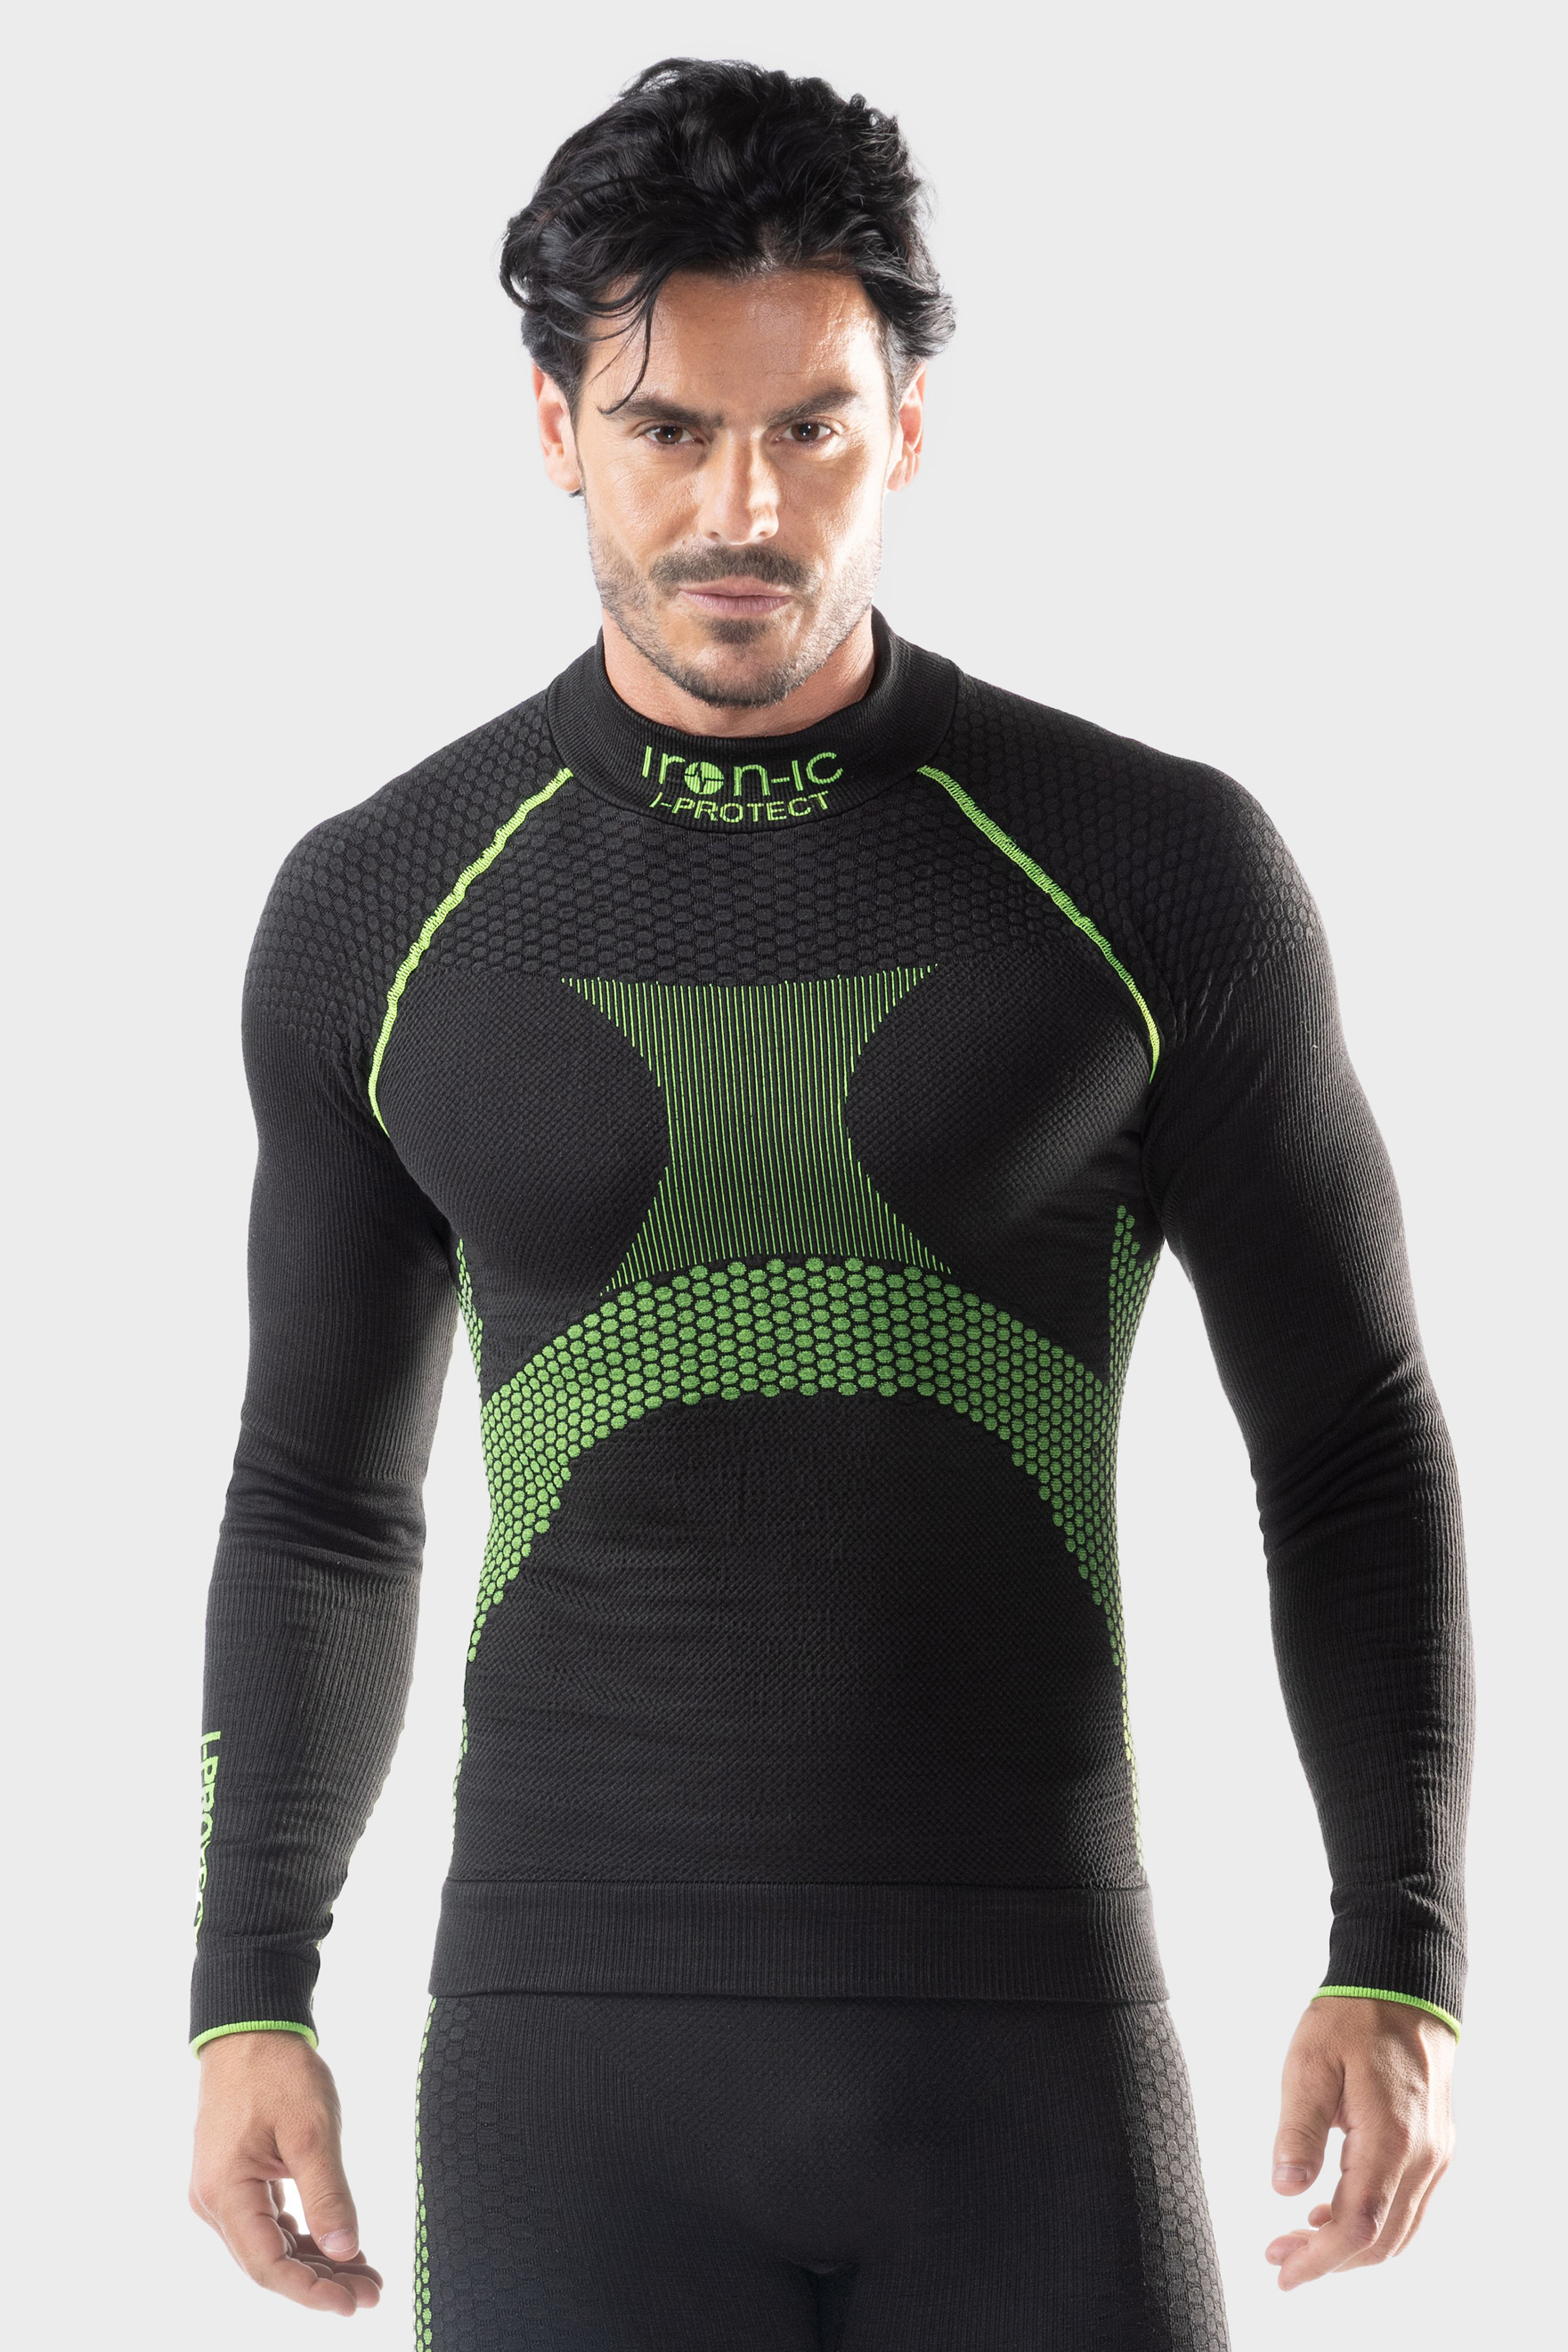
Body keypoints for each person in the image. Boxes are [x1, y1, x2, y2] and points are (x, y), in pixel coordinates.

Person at [186, 57, 1472, 2349]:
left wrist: (1398, 1942)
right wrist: (245, 1989)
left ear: (908, 428)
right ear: (554, 428)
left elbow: (1348, 1442)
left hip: (1029, 2043)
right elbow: (319, 1500)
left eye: (810, 430)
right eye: (668, 429)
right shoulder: (385, 907)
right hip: (564, 2074)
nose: (742, 508)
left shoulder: (1147, 871)